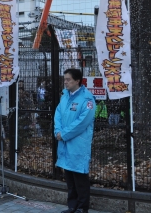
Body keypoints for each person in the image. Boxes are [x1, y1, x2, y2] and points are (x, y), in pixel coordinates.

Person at [55, 69, 95, 213]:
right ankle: (72, 206)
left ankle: (82, 208)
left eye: (68, 79)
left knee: (80, 179)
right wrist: (57, 131)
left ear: (77, 81)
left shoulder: (87, 99)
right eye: (64, 79)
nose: (65, 82)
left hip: (78, 145)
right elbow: (58, 113)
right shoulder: (64, 96)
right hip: (65, 143)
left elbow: (82, 122)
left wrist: (63, 134)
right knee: (70, 178)